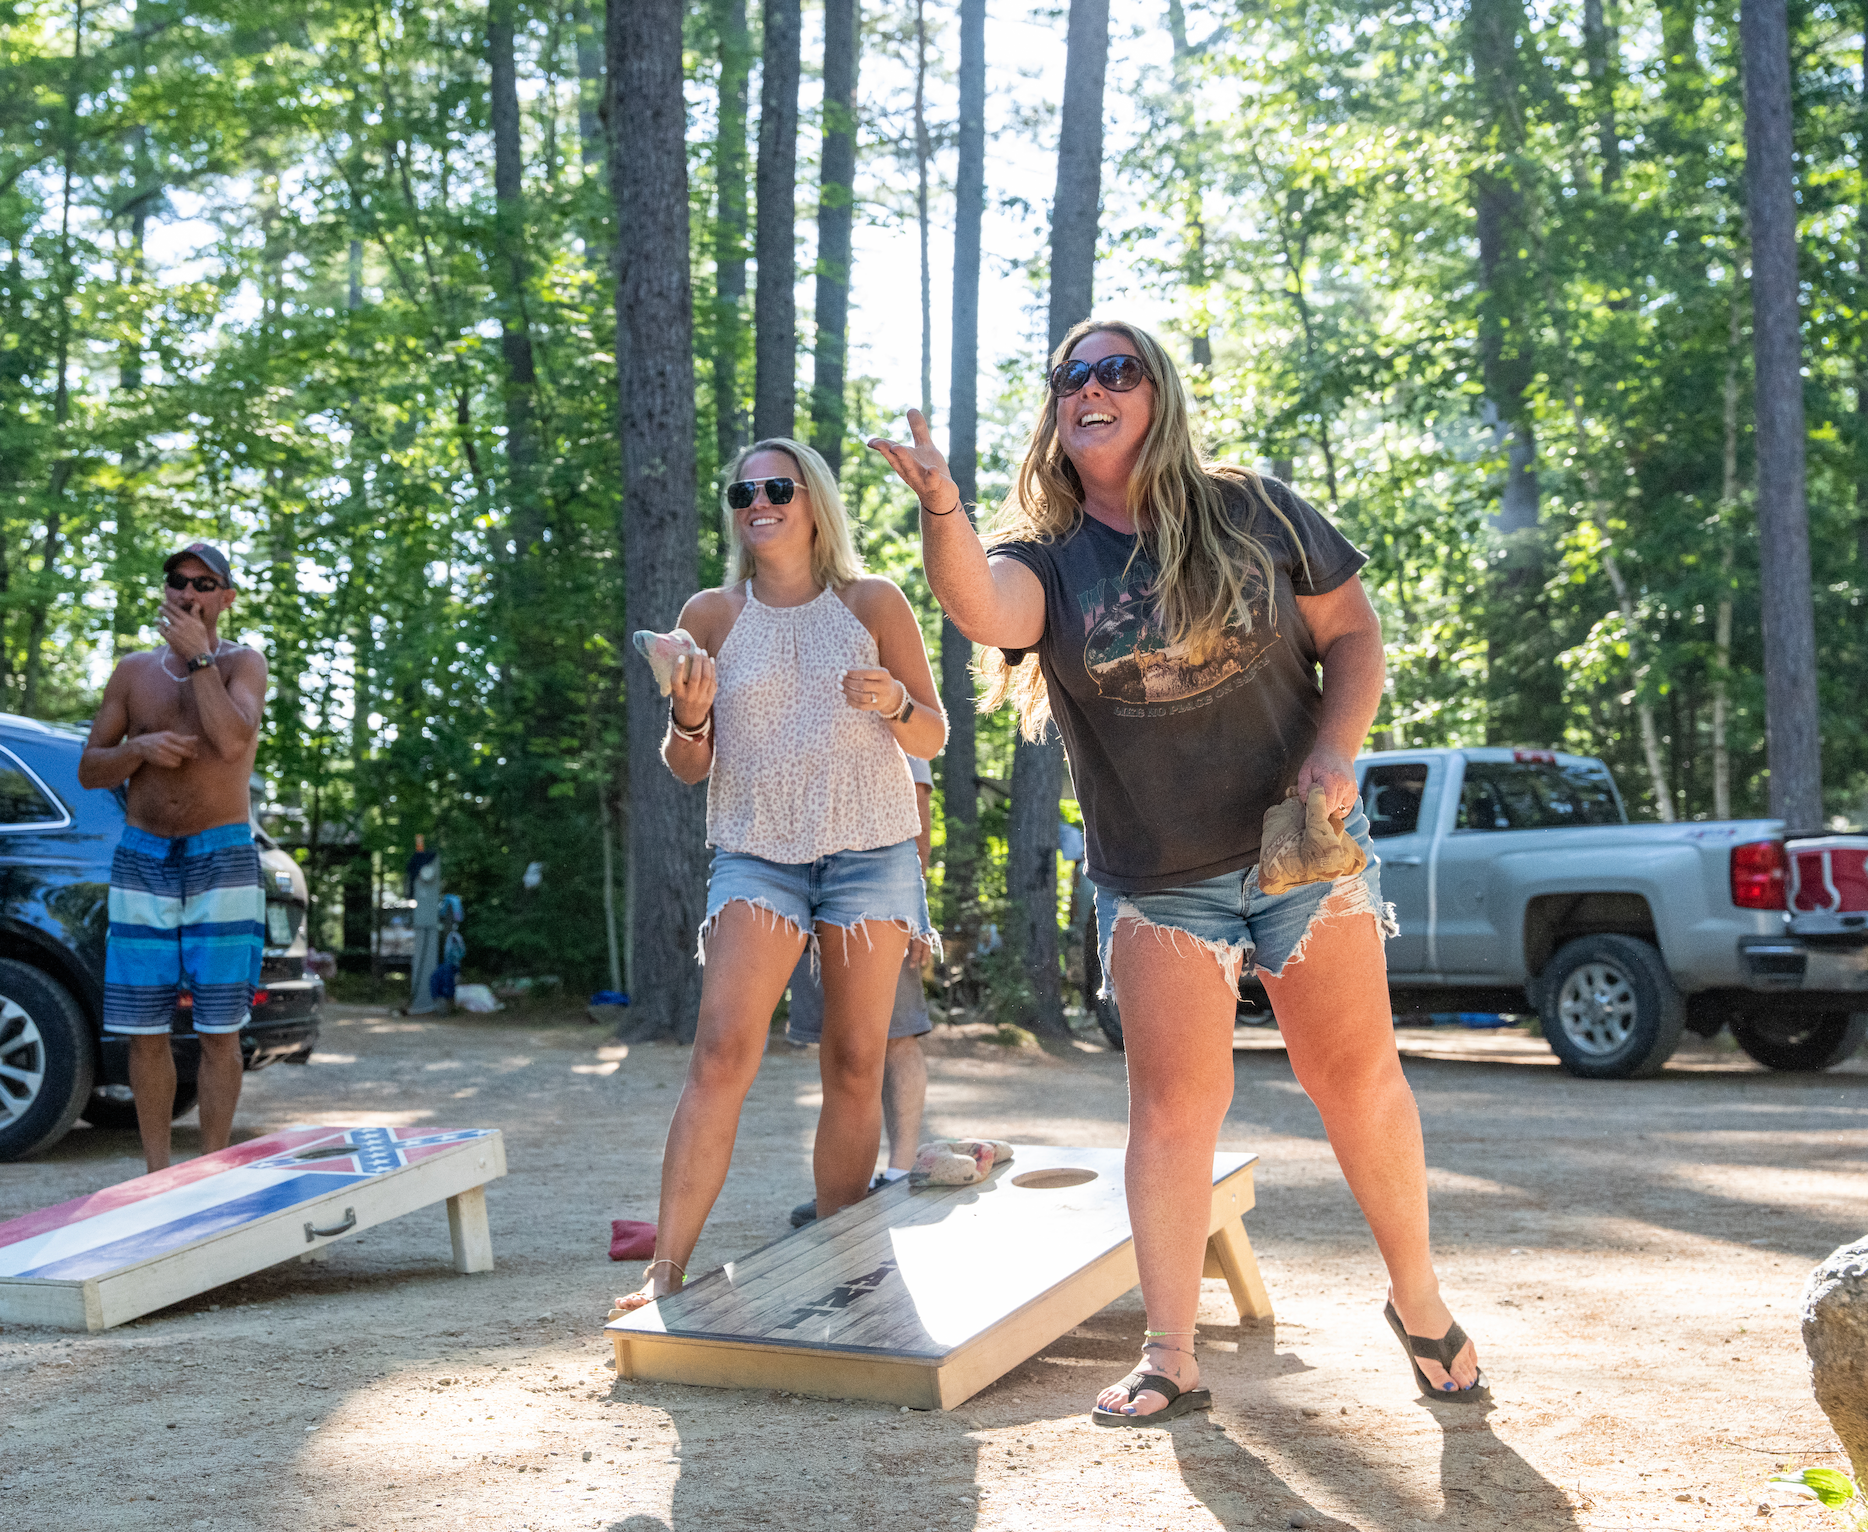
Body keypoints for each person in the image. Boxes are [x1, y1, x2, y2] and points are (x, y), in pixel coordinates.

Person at [869, 319, 1487, 1423]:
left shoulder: (1254, 506)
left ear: (1159, 392)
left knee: (1356, 1081)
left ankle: (1421, 1299)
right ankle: (1170, 1353)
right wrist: (942, 507)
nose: (1093, 387)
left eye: (1119, 369)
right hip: (1159, 877)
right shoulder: (1048, 558)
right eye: (1073, 377)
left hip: (1300, 845)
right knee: (1170, 1109)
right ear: (1057, 410)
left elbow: (1353, 633)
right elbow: (982, 607)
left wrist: (1336, 747)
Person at [611, 438, 948, 1317]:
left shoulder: (872, 602)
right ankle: (665, 1273)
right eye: (742, 490)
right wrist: (688, 719)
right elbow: (689, 767)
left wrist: (896, 704)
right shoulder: (711, 614)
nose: (757, 501)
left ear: (814, 502)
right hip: (758, 852)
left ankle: (845, 1263)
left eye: (777, 488)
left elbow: (934, 735)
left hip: (869, 851)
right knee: (721, 1048)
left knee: (852, 1059)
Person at [79, 542, 269, 1175]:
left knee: (219, 1027)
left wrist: (199, 659)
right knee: (144, 1026)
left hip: (222, 856)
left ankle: (210, 1172)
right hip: (144, 858)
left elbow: (231, 737)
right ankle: (158, 1174)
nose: (188, 592)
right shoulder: (132, 673)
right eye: (178, 581)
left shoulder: (245, 663)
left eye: (204, 583)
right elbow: (88, 769)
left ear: (225, 598)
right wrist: (139, 750)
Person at [785, 754, 934, 1227]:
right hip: (803, 893)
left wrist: (914, 911)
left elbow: (919, 804)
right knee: (838, 1046)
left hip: (879, 897)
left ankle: (900, 1173)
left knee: (898, 1034)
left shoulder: (884, 691)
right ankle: (846, 1185)